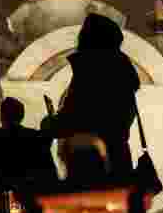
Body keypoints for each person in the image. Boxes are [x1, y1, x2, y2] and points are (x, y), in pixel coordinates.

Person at [41, 13, 141, 178]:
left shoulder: (90, 68)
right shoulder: (123, 72)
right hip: (118, 161)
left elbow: (77, 115)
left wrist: (50, 124)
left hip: (91, 164)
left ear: (89, 38)